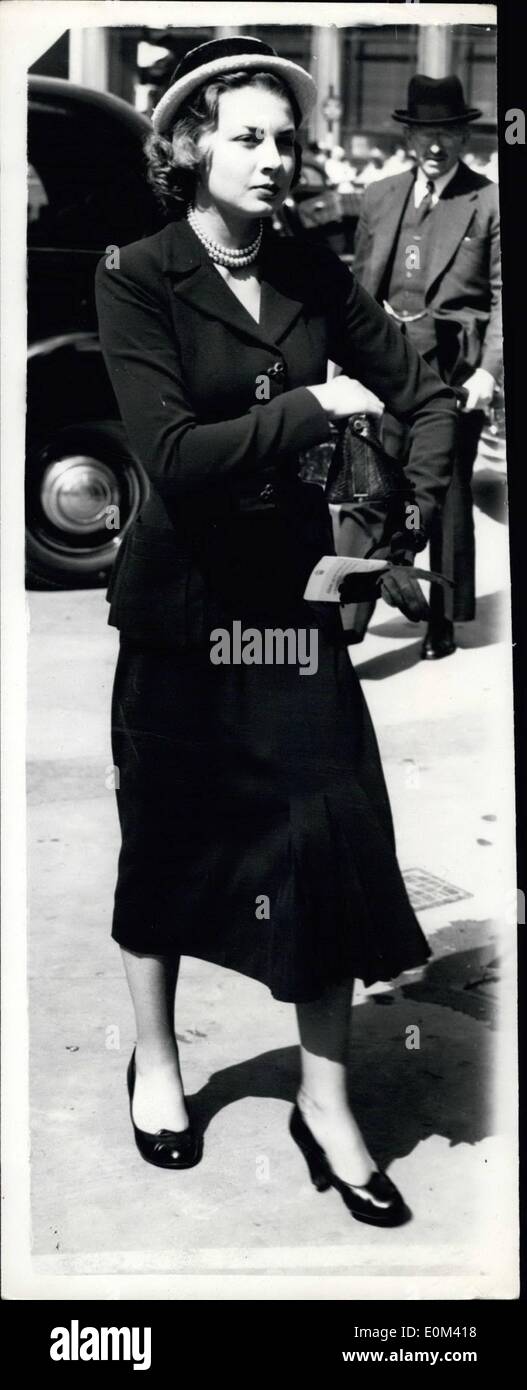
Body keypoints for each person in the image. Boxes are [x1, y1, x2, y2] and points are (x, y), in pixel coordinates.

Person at [95, 37, 458, 1226]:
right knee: (168, 834)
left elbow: (421, 387)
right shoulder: (137, 273)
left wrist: (399, 518)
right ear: (191, 144)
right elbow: (169, 458)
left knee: (328, 836)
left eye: (284, 139)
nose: (272, 157)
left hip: (294, 605)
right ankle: (157, 1059)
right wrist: (310, 404)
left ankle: (327, 1100)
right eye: (246, 136)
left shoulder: (307, 264)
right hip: (182, 610)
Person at [336, 74, 502, 657]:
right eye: (425, 133)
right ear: (410, 136)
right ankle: (348, 621)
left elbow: (506, 293)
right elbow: (357, 286)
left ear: (464, 136)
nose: (435, 146)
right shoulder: (381, 195)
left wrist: (489, 371)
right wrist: (343, 362)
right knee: (370, 486)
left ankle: (443, 621)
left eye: (448, 133)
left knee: (448, 496)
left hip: (454, 368)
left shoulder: (488, 200)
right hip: (385, 362)